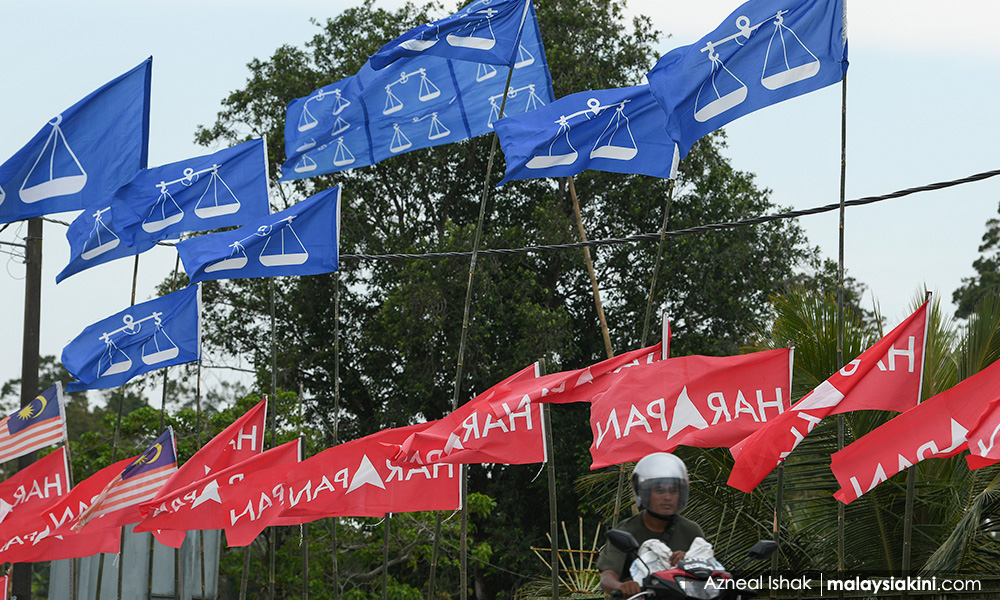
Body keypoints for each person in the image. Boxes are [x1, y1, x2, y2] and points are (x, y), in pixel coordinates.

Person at [597, 452, 705, 596]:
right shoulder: (627, 530)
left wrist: (692, 560)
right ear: (645, 493)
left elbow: (709, 575)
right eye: (660, 490)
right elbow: (607, 577)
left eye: (674, 490)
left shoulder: (691, 531)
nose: (667, 497)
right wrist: (621, 586)